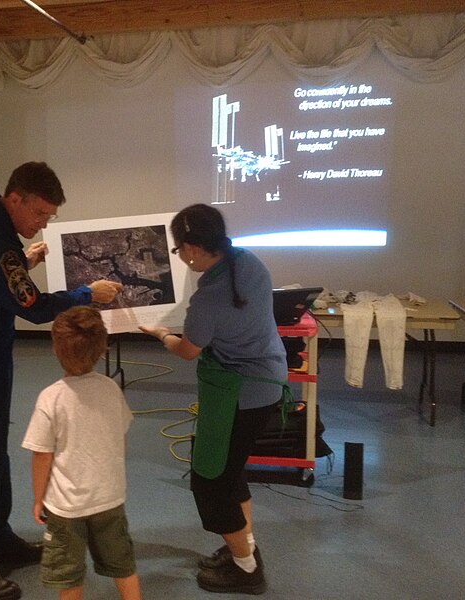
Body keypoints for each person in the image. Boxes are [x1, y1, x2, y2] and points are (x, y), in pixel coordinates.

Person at [0, 161, 123, 600]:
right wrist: (84, 296)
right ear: (14, 197)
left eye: (49, 218)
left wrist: (23, 260)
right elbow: (32, 306)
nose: (41, 224)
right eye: (38, 214)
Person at [139, 203, 288, 596]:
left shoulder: (208, 300)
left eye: (178, 250)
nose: (181, 257)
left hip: (239, 394)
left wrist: (159, 335)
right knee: (231, 469)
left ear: (190, 246)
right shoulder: (250, 263)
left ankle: (246, 571)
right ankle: (245, 548)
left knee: (210, 481)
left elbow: (188, 350)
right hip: (267, 382)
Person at [22, 306, 141, 600]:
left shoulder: (51, 398)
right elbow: (120, 437)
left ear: (55, 348)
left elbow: (42, 455)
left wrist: (39, 499)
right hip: (109, 498)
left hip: (66, 507)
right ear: (102, 348)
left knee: (69, 573)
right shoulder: (111, 388)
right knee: (122, 563)